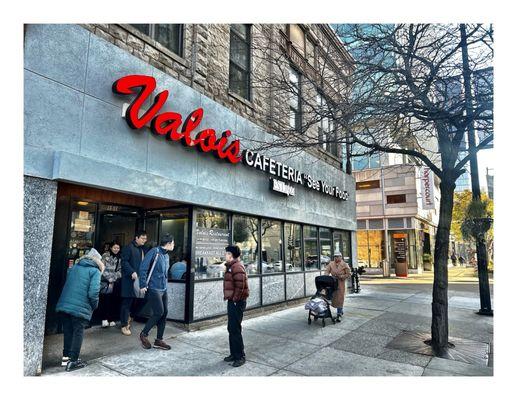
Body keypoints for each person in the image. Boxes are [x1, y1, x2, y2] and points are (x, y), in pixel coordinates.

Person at [55, 248, 105, 372]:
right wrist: (94, 306)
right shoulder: (95, 271)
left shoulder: (75, 267)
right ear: (98, 260)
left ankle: (65, 358)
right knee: (78, 332)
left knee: (68, 331)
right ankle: (73, 361)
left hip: (65, 305)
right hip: (80, 307)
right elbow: (93, 293)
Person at [138, 235, 174, 350]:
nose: (174, 245)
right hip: (153, 287)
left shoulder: (166, 255)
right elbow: (143, 267)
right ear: (168, 243)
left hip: (163, 288)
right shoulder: (155, 252)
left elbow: (165, 273)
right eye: (173, 243)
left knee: (164, 313)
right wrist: (143, 284)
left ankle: (159, 340)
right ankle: (144, 334)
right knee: (159, 312)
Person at [223, 245, 249, 367]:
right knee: (231, 328)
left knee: (235, 329)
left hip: (236, 302)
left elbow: (241, 285)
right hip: (232, 301)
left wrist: (235, 299)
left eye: (226, 253)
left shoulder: (237, 266)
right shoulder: (231, 266)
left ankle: (240, 356)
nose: (225, 255)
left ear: (231, 255)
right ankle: (233, 353)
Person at [120, 230, 148, 336]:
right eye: (142, 238)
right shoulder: (128, 247)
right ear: (136, 238)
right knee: (127, 302)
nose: (144, 240)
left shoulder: (142, 249)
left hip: (139, 280)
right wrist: (131, 271)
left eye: (145, 238)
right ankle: (124, 325)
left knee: (144, 299)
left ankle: (130, 317)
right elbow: (124, 261)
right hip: (129, 280)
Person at [99, 241, 122, 327]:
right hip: (105, 281)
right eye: (115, 247)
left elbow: (120, 270)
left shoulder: (120, 258)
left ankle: (111, 318)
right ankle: (104, 319)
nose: (116, 249)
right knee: (105, 300)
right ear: (111, 248)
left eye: (118, 248)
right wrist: (109, 278)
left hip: (114, 282)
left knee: (113, 300)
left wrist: (114, 278)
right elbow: (101, 267)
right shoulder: (105, 255)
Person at [324, 251, 351, 322]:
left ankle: (339, 314)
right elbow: (327, 271)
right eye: (335, 256)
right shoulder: (331, 263)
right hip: (332, 283)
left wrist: (342, 276)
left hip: (340, 283)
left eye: (337, 256)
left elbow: (348, 274)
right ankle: (337, 311)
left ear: (341, 257)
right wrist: (326, 276)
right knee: (332, 298)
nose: (336, 258)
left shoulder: (345, 264)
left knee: (340, 299)